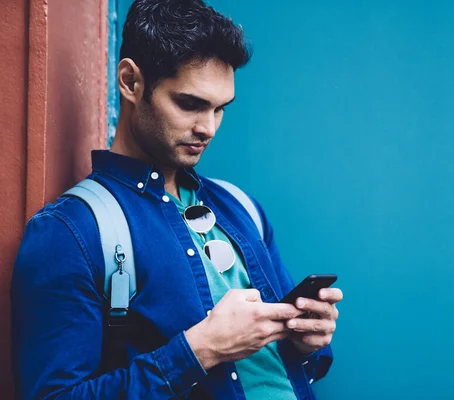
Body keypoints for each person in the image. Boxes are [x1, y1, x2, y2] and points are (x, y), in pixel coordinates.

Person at [11, 1, 342, 398]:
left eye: (221, 109)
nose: (208, 128)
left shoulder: (242, 209)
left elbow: (287, 368)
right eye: (189, 104)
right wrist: (201, 350)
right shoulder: (69, 232)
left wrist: (306, 343)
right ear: (131, 82)